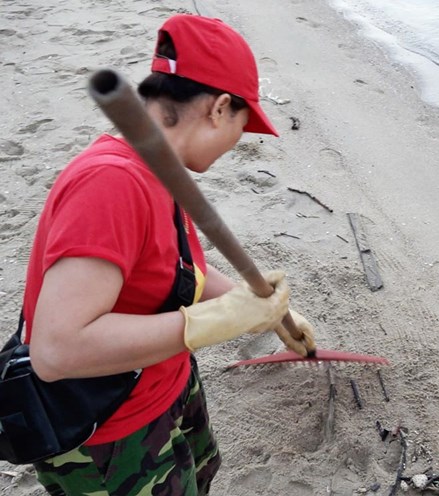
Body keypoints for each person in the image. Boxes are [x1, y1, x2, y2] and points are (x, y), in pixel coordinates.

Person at [23, 14, 314, 495]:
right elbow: (56, 351)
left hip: (164, 383)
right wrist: (214, 322)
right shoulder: (112, 182)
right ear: (220, 108)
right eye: (244, 124)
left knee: (199, 475)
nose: (239, 141)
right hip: (108, 433)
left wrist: (262, 306)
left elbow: (175, 268)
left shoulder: (157, 165)